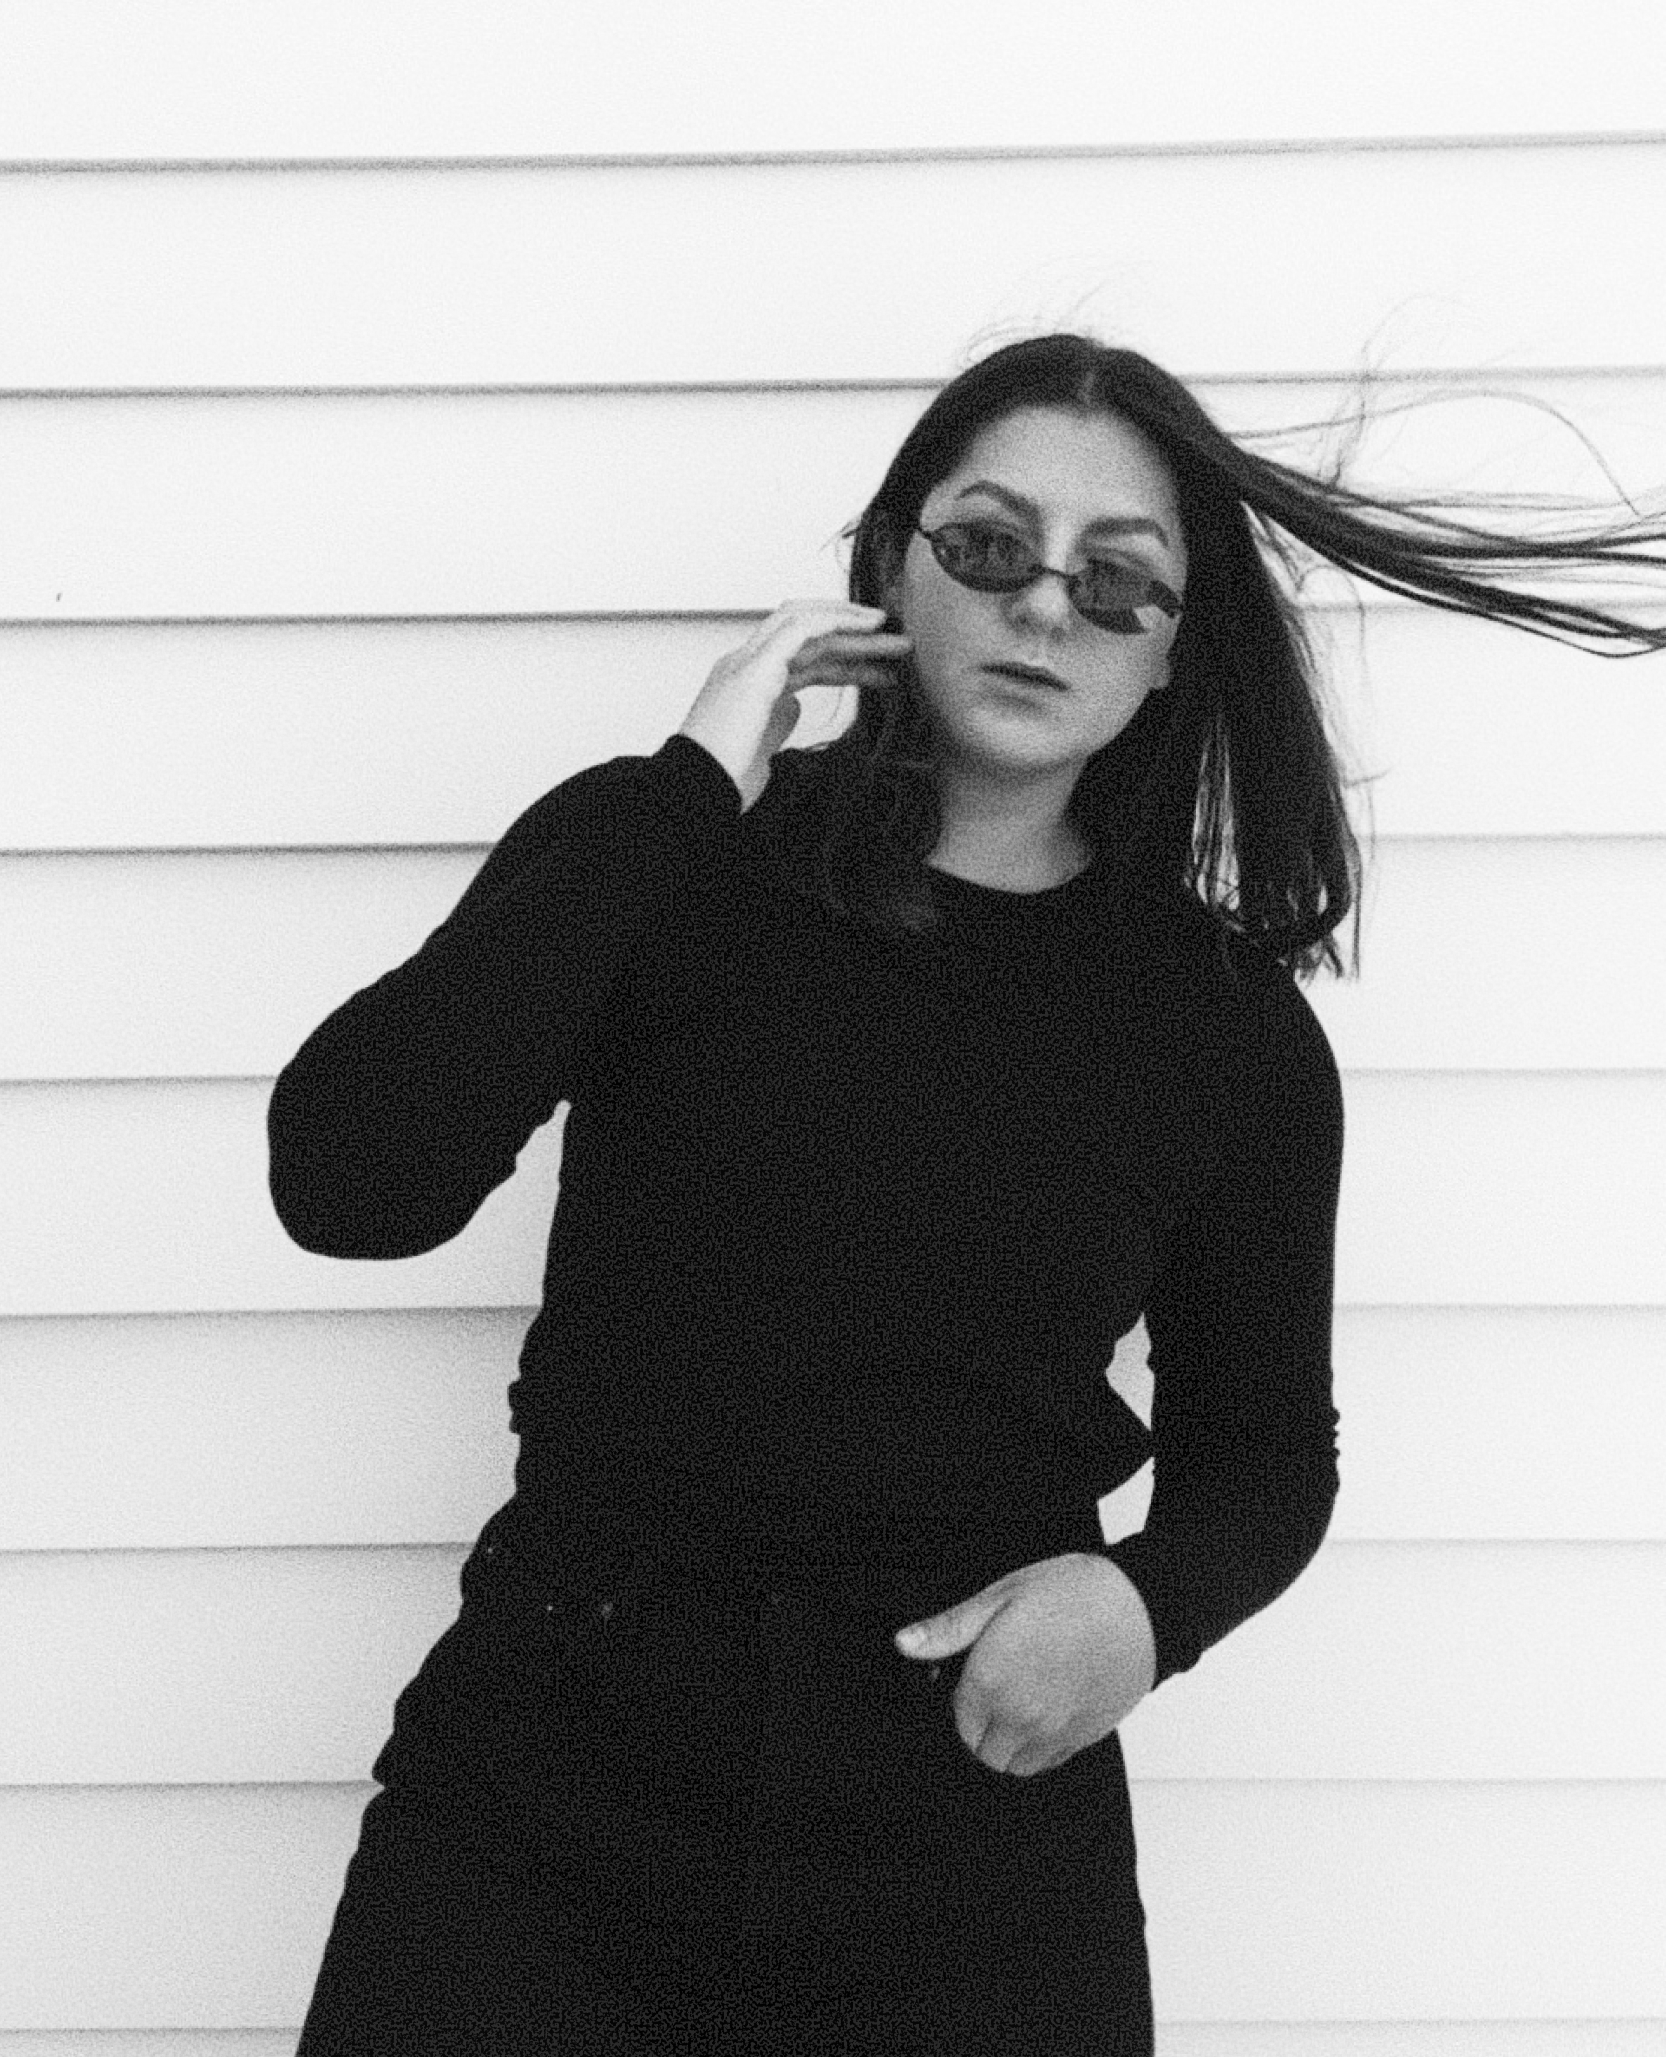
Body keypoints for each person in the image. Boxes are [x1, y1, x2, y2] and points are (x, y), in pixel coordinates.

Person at [268, 333, 1665, 2055]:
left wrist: (1142, 1611)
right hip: (546, 1791)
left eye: (1117, 578)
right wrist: (688, 781)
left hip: (965, 1829)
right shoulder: (669, 862)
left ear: (1174, 647)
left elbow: (1262, 1457)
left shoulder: (1220, 1030)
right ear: (892, 567)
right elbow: (353, 1183)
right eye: (991, 546)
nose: (1044, 608)